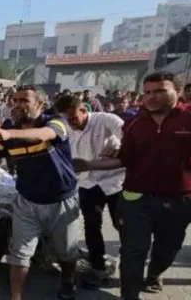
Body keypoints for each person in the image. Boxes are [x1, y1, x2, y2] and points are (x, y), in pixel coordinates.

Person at [77, 72, 191, 300]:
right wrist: (89, 164)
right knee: (132, 251)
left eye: (159, 91)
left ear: (177, 92)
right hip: (135, 198)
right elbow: (125, 159)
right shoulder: (134, 123)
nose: (152, 97)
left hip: (179, 200)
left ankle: (155, 272)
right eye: (148, 92)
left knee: (167, 249)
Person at [0, 86, 79, 300]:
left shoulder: (55, 123)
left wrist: (10, 133)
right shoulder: (8, 131)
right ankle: (16, 297)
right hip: (27, 201)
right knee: (19, 256)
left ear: (41, 104)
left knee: (66, 252)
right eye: (14, 100)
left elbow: (43, 135)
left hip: (61, 201)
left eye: (24, 100)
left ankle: (68, 281)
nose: (17, 104)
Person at [53, 95, 125, 288]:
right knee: (92, 227)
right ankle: (98, 267)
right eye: (65, 119)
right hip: (87, 183)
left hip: (116, 180)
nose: (70, 123)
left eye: (73, 118)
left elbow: (131, 141)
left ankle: (129, 265)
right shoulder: (65, 128)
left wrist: (121, 150)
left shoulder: (107, 120)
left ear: (84, 110)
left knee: (123, 225)